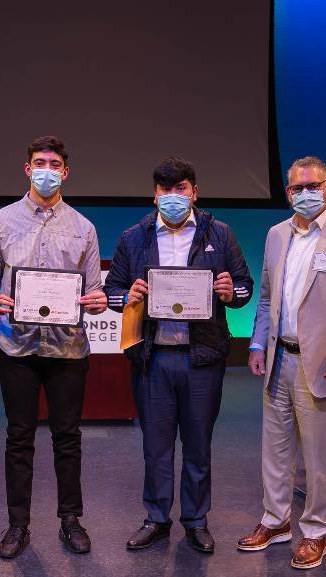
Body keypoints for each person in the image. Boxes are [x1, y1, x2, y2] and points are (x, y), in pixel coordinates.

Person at [103, 157, 253, 555]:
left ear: (194, 192)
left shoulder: (219, 235)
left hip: (202, 357)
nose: (173, 197)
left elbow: (244, 289)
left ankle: (196, 519)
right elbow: (112, 292)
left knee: (198, 444)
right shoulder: (133, 237)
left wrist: (228, 292)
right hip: (153, 358)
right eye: (165, 190)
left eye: (181, 189)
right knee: (156, 444)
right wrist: (128, 297)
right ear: (155, 194)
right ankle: (156, 517)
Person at [234, 157, 326, 568]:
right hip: (280, 357)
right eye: (296, 189)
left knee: (320, 458)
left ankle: (315, 531)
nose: (304, 195)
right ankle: (276, 520)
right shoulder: (277, 234)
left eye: (312, 186)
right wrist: (259, 343)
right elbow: (266, 297)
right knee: (275, 450)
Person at [0, 135, 107, 559]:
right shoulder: (0, 222)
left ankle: (70, 519)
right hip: (17, 346)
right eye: (38, 162)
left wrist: (99, 301)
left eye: (54, 163)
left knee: (68, 437)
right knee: (19, 437)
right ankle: (17, 524)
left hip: (68, 349)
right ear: (27, 169)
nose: (46, 169)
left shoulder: (84, 227)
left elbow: (96, 291)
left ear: (66, 172)